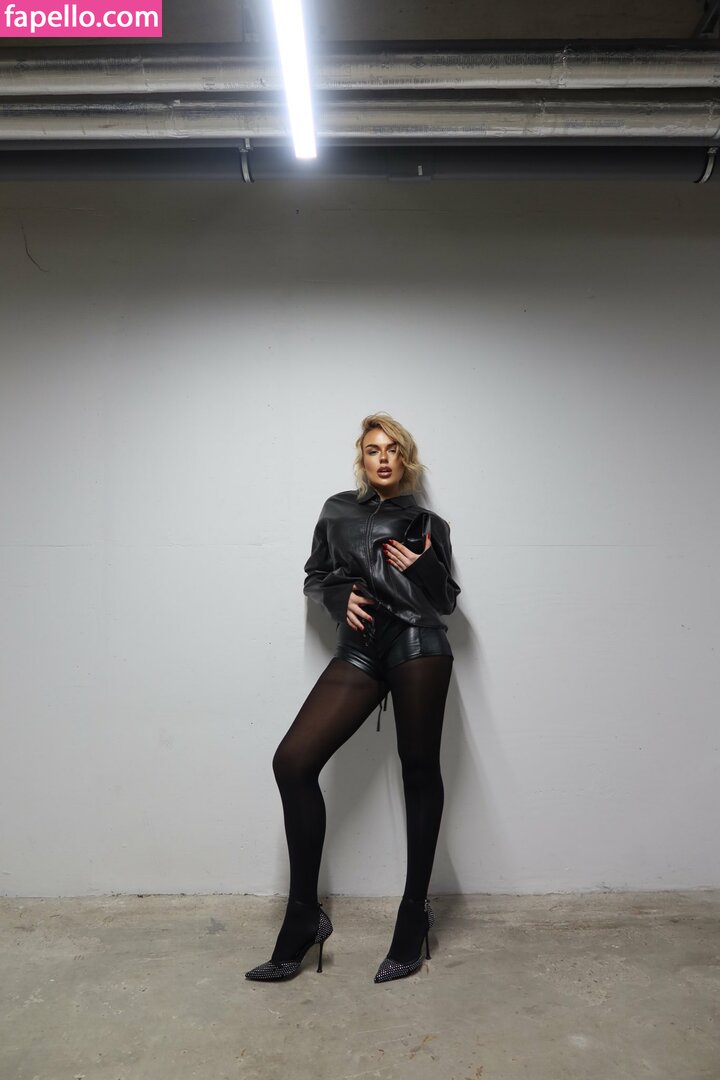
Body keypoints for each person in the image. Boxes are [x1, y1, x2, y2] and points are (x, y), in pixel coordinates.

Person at [245, 412, 461, 984]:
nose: (383, 458)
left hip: (417, 643)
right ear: (362, 460)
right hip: (360, 649)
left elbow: (446, 600)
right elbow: (315, 575)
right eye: (372, 450)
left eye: (392, 449)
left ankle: (413, 914)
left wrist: (424, 565)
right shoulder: (336, 510)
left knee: (419, 771)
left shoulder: (428, 522)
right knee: (292, 762)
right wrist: (339, 596)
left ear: (405, 459)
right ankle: (303, 916)